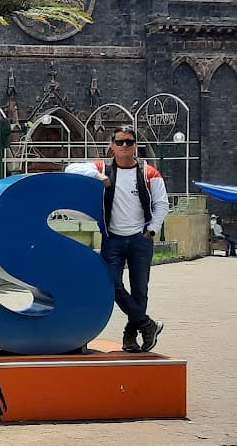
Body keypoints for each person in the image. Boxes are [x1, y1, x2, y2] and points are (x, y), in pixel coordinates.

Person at [66, 127, 169, 352]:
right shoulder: (102, 168)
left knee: (140, 290)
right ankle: (147, 324)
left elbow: (162, 204)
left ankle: (130, 337)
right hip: (112, 239)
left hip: (140, 239)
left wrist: (151, 231)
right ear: (112, 145)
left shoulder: (149, 173)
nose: (124, 146)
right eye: (119, 142)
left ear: (136, 146)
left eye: (129, 142)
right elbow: (70, 168)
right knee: (112, 285)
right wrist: (98, 176)